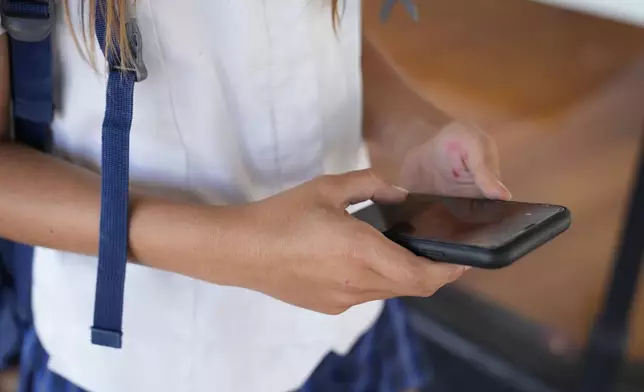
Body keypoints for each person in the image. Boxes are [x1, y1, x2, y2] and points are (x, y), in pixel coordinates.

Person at [0, 1, 511, 391]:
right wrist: (241, 248)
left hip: (349, 327)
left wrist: (413, 133)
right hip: (151, 359)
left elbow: (310, 31)